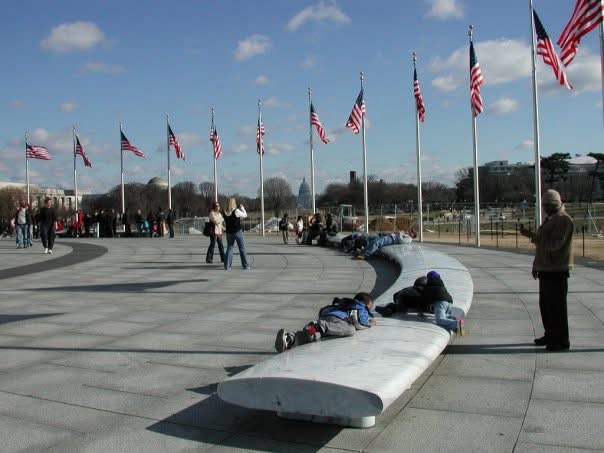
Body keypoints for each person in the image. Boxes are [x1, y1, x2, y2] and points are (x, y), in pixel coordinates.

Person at [520, 189, 573, 352]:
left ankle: (561, 340)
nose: (545, 208)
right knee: (546, 307)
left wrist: (533, 236)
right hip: (546, 268)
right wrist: (536, 265)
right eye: (544, 205)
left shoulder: (563, 220)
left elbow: (554, 245)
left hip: (557, 269)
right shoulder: (550, 219)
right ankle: (550, 334)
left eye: (548, 205)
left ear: (555, 204)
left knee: (557, 308)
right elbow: (542, 247)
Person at [275, 292, 376, 353]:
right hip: (338, 319)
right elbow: (359, 324)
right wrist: (370, 323)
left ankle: (289, 339)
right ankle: (318, 326)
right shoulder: (361, 307)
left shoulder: (346, 304)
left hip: (328, 317)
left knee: (314, 335)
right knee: (351, 330)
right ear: (367, 305)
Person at [223, 197, 250, 270]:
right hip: (237, 231)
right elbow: (245, 215)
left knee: (229, 248)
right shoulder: (236, 211)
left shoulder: (224, 211)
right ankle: (245, 265)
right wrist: (242, 208)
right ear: (233, 203)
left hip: (229, 232)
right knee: (242, 248)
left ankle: (227, 266)